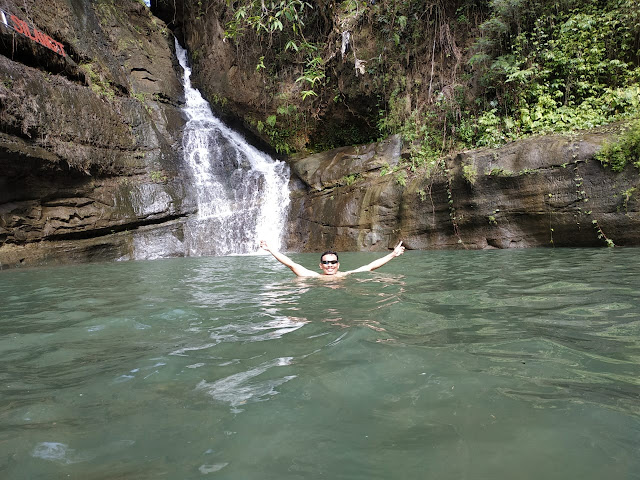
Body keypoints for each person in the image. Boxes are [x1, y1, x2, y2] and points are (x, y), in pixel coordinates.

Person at [259, 240, 405, 277]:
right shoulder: (314, 277)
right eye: (326, 262)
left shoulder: (346, 275)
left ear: (338, 264)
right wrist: (271, 249)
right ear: (320, 265)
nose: (330, 265)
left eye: (333, 262)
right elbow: (291, 264)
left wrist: (392, 254)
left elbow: (370, 266)